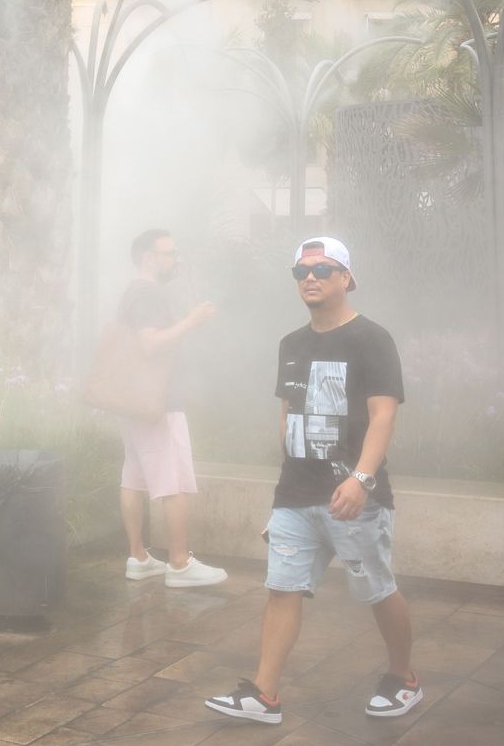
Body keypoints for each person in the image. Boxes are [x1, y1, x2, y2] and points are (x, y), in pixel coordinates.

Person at [205, 236, 418, 726]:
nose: (311, 279)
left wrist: (362, 479)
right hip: (296, 495)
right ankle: (264, 694)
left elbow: (383, 415)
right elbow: (287, 418)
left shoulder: (372, 339)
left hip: (353, 496)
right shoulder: (291, 344)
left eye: (323, 269)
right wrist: (280, 507)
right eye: (301, 272)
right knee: (282, 588)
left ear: (347, 277)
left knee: (377, 590)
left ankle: (404, 677)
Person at [115, 229, 227, 588]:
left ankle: (139, 557)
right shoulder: (147, 294)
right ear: (149, 257)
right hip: (158, 400)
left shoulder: (132, 293)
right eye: (170, 253)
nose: (176, 260)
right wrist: (192, 321)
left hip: (134, 399)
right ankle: (179, 563)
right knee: (173, 477)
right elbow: (150, 345)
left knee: (134, 477)